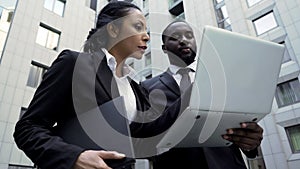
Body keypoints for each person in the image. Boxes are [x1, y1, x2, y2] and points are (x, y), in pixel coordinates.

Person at [13, 1, 150, 169]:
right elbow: (27, 128)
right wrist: (75, 158)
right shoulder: (74, 64)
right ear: (113, 29)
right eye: (138, 27)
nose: (146, 36)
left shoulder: (135, 88)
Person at [141, 20, 264, 169]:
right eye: (175, 37)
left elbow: (241, 122)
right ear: (164, 48)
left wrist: (249, 143)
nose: (183, 40)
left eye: (189, 35)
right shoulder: (146, 87)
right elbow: (144, 139)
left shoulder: (221, 78)